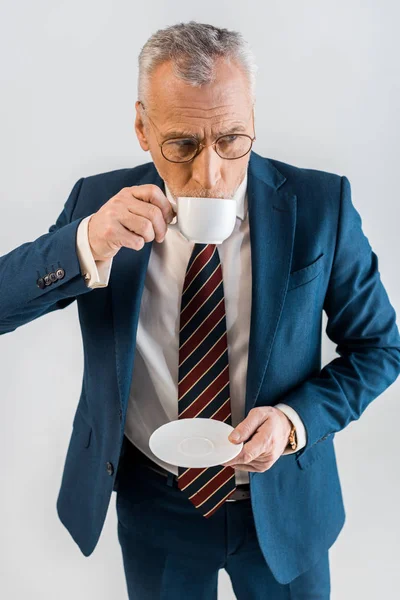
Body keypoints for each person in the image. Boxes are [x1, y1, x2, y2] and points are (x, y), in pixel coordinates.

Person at [1, 20, 399, 600]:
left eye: (232, 140)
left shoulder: (321, 206)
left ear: (254, 119)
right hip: (156, 504)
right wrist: (86, 241)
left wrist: (294, 423)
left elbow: (379, 348)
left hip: (284, 506)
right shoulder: (99, 203)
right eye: (182, 145)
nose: (210, 175)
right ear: (142, 126)